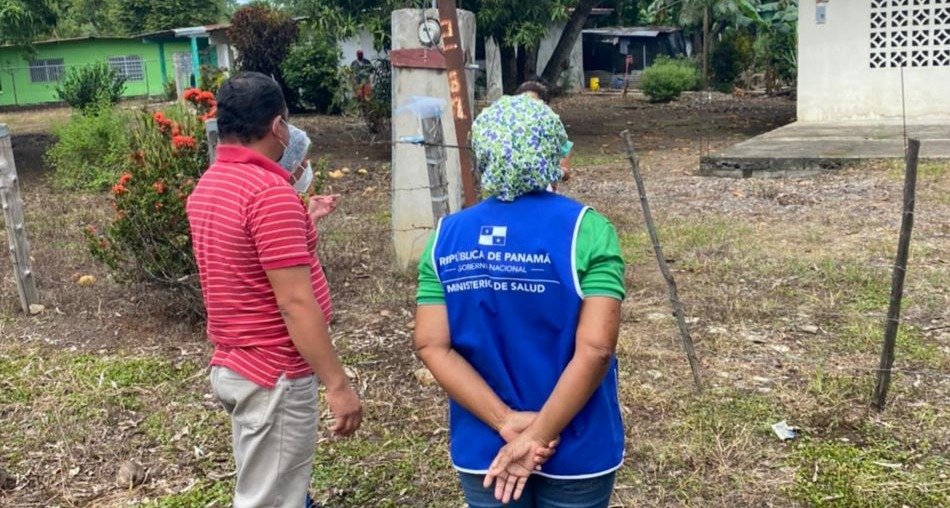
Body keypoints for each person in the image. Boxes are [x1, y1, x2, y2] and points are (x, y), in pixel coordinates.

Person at [414, 93, 626, 507]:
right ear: (551, 149)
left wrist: (508, 423)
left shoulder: (445, 237)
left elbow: (430, 344)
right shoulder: (588, 230)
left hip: (486, 445)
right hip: (575, 445)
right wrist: (539, 435)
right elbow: (597, 349)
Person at [186, 71, 361, 508]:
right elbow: (295, 303)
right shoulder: (269, 194)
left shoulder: (211, 185)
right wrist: (337, 384)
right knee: (269, 500)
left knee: (277, 485)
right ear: (278, 126)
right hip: (274, 374)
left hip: (237, 364)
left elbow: (245, 260)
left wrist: (305, 223)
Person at [516, 78, 573, 189]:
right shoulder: (506, 135)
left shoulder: (556, 136)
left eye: (533, 102)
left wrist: (554, 173)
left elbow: (566, 173)